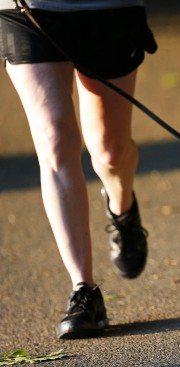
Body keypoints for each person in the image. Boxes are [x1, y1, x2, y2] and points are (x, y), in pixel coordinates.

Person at [0, 0, 157, 339]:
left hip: (105, 6)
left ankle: (123, 208)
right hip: (27, 8)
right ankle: (84, 290)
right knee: (55, 139)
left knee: (110, 150)